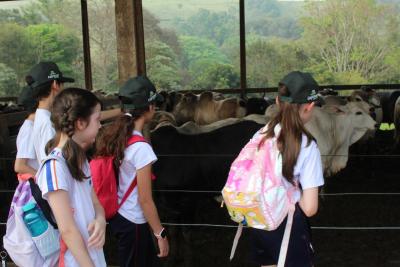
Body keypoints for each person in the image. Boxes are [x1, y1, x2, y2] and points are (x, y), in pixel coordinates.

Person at [249, 71, 324, 267]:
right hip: (288, 226)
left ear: (277, 101)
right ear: (309, 106)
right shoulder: (307, 145)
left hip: (258, 221)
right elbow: (309, 208)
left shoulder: (261, 134)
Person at [94, 76, 169, 267]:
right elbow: (145, 199)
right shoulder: (141, 148)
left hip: (119, 215)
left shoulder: (116, 135)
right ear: (150, 107)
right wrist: (160, 233)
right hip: (134, 220)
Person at [36, 88, 107, 267]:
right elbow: (67, 230)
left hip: (93, 255)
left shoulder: (80, 159)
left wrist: (100, 220)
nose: (100, 126)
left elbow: (96, 203)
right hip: (76, 261)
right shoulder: (54, 167)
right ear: (80, 123)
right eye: (97, 119)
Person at [29, 61, 121, 165]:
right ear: (55, 84)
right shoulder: (48, 123)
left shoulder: (42, 117)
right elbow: (52, 161)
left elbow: (91, 116)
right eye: (62, 84)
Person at [14, 82, 39, 179]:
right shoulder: (29, 129)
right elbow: (19, 166)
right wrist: (42, 178)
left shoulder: (34, 126)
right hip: (35, 188)